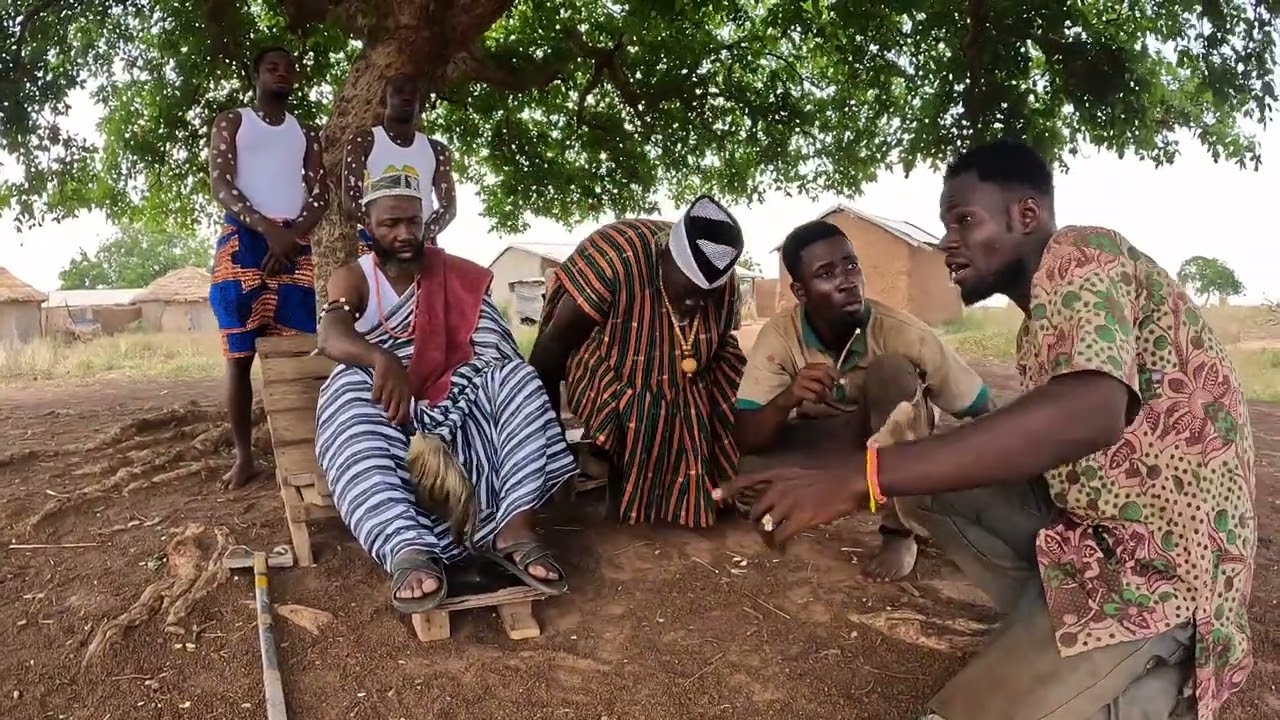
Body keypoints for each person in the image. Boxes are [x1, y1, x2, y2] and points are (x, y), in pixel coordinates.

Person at [724, 139, 1255, 720]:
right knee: (918, 474)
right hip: (1092, 540)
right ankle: (1080, 648)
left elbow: (1088, 410)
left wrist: (866, 475)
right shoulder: (1039, 328)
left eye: (964, 220)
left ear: (1025, 215)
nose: (947, 242)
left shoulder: (1084, 252)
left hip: (1159, 570)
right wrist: (855, 468)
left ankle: (1150, 654)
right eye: (945, 225)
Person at [314, 171, 576, 612]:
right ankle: (408, 547)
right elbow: (331, 337)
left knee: (516, 380)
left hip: (460, 397)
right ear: (368, 223)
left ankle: (513, 527)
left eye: (413, 222)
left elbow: (490, 343)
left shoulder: (455, 276)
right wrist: (383, 359)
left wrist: (457, 385)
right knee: (345, 391)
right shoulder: (354, 278)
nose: (403, 234)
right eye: (389, 224)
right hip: (390, 408)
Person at [733, 220, 994, 582]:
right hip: (834, 444)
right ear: (800, 290)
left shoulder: (903, 332)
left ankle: (900, 530)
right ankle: (854, 489)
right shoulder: (780, 336)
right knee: (748, 479)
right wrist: (787, 396)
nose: (847, 280)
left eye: (851, 265)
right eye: (826, 273)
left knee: (891, 371)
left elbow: (979, 406)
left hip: (893, 446)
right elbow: (747, 436)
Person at [529, 196, 747, 528]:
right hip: (607, 358)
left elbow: (721, 343)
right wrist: (551, 439)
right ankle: (625, 484)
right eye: (688, 292)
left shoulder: (723, 281)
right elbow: (551, 349)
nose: (695, 304)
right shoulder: (614, 260)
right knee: (646, 409)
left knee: (734, 381)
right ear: (664, 258)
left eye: (706, 296)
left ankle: (697, 486)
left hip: (688, 372)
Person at [207, 46, 329, 489]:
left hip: (294, 245)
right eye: (272, 67)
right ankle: (245, 458)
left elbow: (321, 193)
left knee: (296, 354)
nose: (281, 73)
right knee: (239, 356)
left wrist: (292, 236)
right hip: (242, 240)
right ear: (256, 74)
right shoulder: (233, 121)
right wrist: (264, 228)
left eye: (288, 68)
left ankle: (304, 454)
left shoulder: (306, 134)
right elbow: (221, 181)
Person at [340, 73, 456, 253]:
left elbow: (449, 206)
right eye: (399, 91)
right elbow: (350, 199)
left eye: (413, 93)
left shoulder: (437, 150)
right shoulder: (363, 141)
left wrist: (422, 234)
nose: (406, 97)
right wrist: (383, 229)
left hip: (422, 242)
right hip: (374, 241)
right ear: (383, 99)